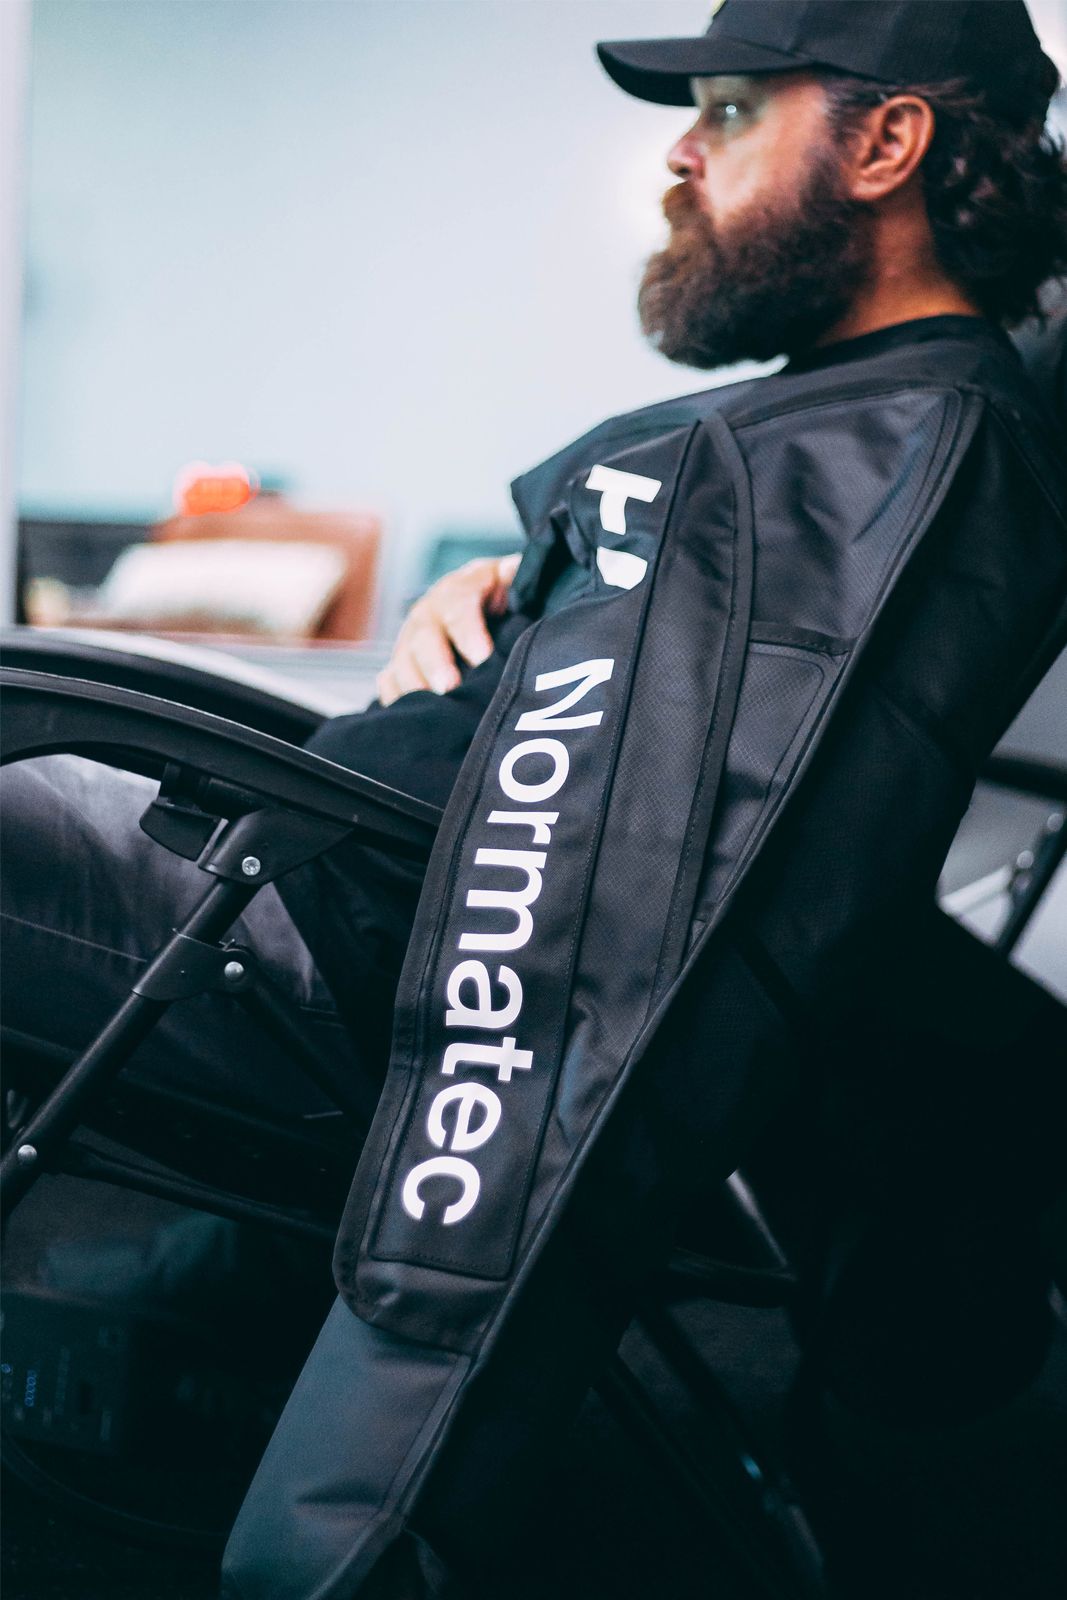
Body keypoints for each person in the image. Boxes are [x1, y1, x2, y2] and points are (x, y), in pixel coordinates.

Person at [1, 3, 1066, 1596]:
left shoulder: (902, 447)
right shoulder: (838, 430)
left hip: (300, 949)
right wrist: (542, 602)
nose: (682, 156)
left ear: (887, 143)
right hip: (293, 872)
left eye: (727, 111)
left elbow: (645, 905)